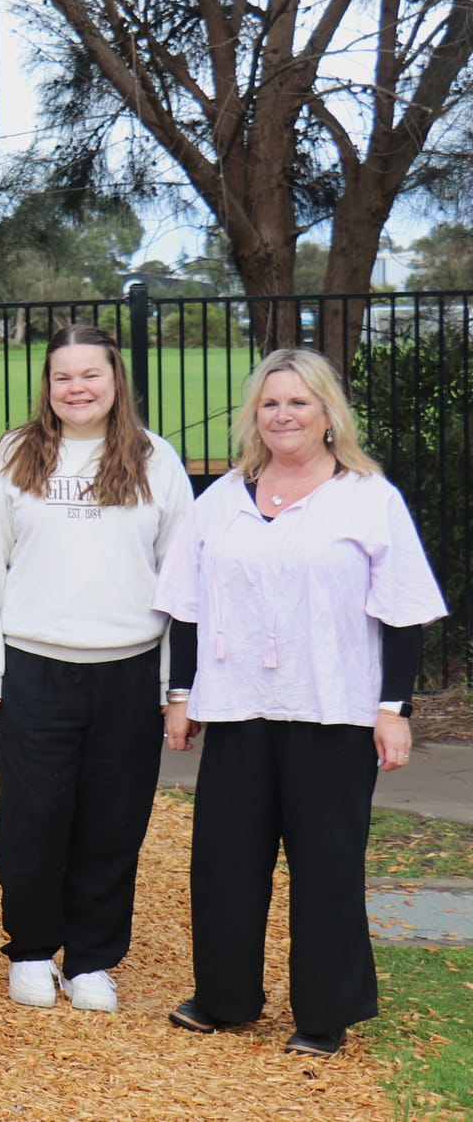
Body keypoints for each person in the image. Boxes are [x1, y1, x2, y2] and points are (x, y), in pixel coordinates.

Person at [157, 348, 445, 1058]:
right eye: (270, 403)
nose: (283, 414)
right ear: (255, 416)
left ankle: (324, 1014)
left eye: (298, 402)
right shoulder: (220, 498)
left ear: (326, 414)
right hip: (237, 707)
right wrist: (181, 694)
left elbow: (402, 610)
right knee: (225, 860)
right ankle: (225, 999)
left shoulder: (367, 495)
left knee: (326, 864)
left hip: (336, 710)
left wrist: (392, 708)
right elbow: (188, 607)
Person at [0, 322, 193, 1015]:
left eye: (90, 374)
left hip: (130, 670)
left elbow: (183, 580)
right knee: (32, 818)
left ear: (115, 380)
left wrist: (174, 683)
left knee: (113, 821)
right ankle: (31, 950)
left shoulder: (155, 460)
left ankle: (91, 958)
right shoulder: (14, 455)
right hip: (35, 667)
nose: (77, 387)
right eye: (64, 376)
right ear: (48, 386)